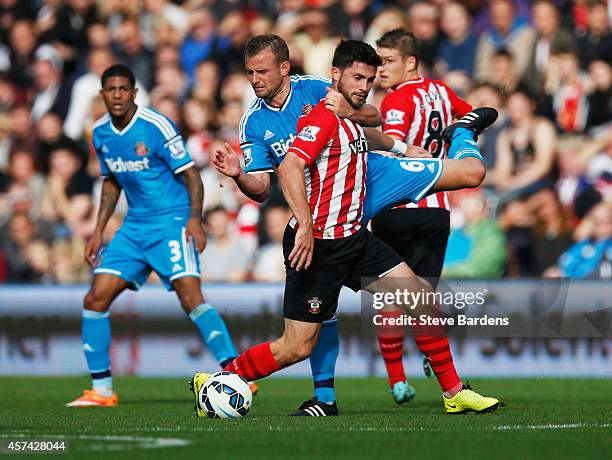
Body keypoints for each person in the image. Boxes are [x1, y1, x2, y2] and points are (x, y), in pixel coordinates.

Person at [199, 39, 500, 417]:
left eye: (263, 71)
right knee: (297, 345)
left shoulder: (319, 91)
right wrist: (242, 176)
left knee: (421, 299)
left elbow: (368, 118)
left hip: (362, 194)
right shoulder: (258, 121)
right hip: (319, 234)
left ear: (285, 68)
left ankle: (454, 392)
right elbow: (269, 181)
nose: (255, 79)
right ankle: (229, 378)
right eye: (250, 73)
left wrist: (401, 147)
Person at [66, 64, 244, 408]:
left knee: (191, 298)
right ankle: (102, 391)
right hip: (134, 226)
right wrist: (98, 231)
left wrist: (195, 219)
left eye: (123, 89)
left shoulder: (156, 126)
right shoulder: (100, 132)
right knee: (94, 299)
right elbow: (111, 181)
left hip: (171, 221)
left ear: (134, 93)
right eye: (110, 90)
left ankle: (237, 375)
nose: (117, 95)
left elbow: (192, 175)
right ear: (102, 95)